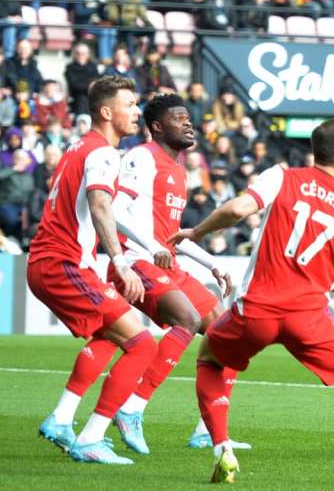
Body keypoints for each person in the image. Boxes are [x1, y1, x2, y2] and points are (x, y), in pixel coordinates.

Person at [168, 117, 334, 487]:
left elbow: (236, 210)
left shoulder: (282, 176)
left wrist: (197, 231)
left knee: (209, 357)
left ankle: (222, 450)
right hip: (308, 318)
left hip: (257, 311)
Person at [69, 94, 239, 455]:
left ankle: (208, 429)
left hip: (166, 262)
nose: (189, 123)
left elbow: (171, 237)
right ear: (158, 126)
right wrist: (148, 247)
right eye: (180, 118)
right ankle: (132, 407)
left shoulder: (178, 169)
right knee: (187, 318)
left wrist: (213, 263)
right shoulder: (142, 157)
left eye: (189, 118)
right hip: (137, 261)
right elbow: (113, 210)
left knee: (229, 334)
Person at [30, 76, 153, 465]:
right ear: (106, 112)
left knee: (110, 334)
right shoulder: (103, 153)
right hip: (62, 263)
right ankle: (91, 437)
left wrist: (150, 247)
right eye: (130, 104)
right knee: (143, 343)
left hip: (56, 261)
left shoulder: (78, 148)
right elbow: (100, 206)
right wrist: (119, 261)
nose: (137, 111)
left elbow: (96, 207)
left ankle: (62, 419)